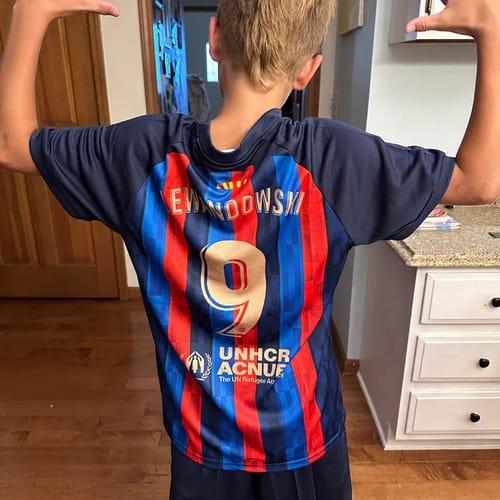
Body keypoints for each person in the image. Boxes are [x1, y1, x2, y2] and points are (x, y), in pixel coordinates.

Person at [0, 0, 499, 499]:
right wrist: (492, 34)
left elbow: (12, 145)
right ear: (307, 71)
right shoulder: (333, 158)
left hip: (201, 443)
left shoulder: (141, 154)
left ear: (215, 39)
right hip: (302, 436)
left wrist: (29, 14)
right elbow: (480, 180)